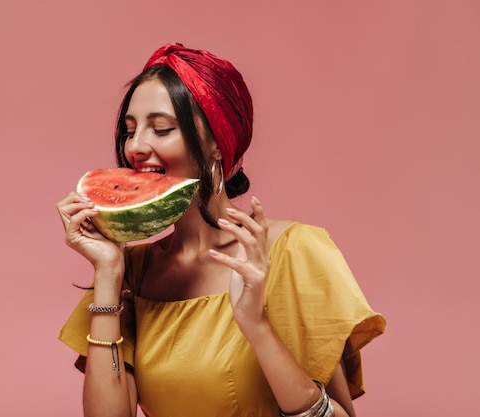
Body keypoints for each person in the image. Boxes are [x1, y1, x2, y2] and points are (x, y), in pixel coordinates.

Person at [56, 43, 385, 417]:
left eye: (161, 128)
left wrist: (257, 327)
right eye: (130, 131)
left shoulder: (290, 250)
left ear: (216, 143)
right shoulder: (134, 270)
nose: (136, 147)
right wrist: (109, 271)